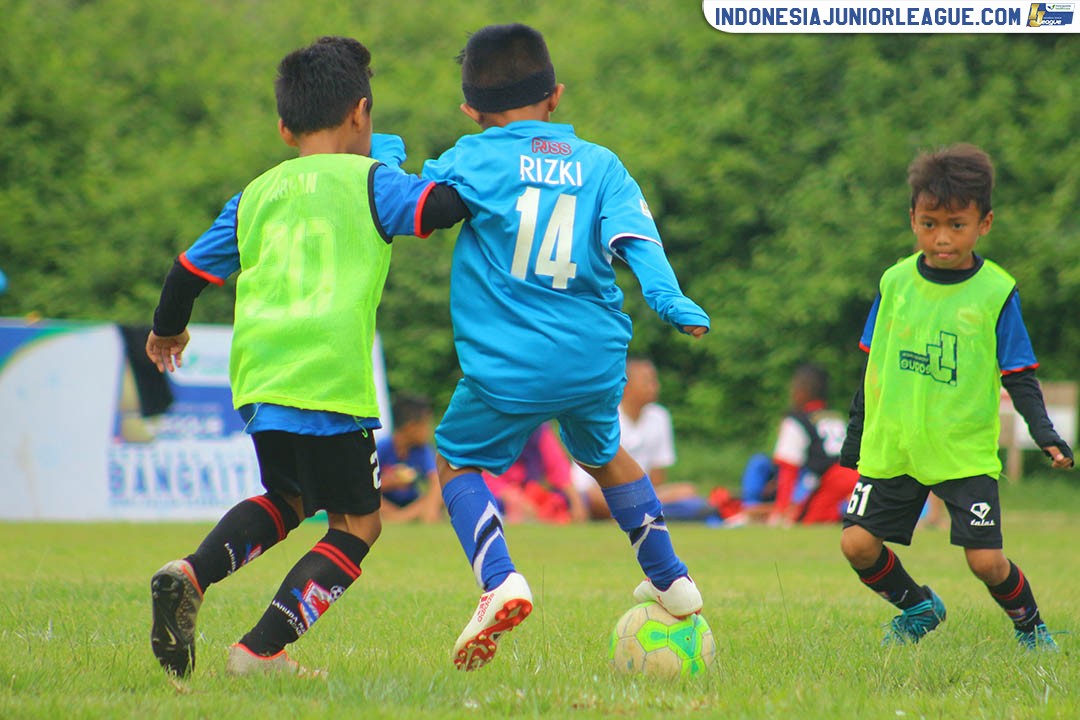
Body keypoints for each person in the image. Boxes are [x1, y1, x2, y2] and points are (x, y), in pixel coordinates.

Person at [144, 36, 469, 678]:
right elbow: (442, 207)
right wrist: (453, 167)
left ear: (284, 127)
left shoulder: (256, 193)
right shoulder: (372, 181)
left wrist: (167, 331)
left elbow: (186, 273)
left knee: (288, 498)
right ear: (361, 111)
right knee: (358, 526)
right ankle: (258, 652)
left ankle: (192, 573)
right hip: (329, 381)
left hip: (261, 379)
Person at [421, 24, 710, 671]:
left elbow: (413, 205)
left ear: (471, 110)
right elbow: (640, 244)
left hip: (511, 364)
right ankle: (673, 579)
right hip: (593, 358)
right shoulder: (602, 165)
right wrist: (672, 302)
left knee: (455, 461)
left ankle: (500, 579)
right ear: (555, 95)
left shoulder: (473, 157)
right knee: (604, 454)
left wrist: (379, 168)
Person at [838, 143, 1073, 651]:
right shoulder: (895, 283)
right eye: (929, 224)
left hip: (962, 451)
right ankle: (918, 607)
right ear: (912, 219)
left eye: (956, 225)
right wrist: (856, 437)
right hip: (895, 446)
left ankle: (1032, 628)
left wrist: (1045, 432)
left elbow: (1019, 374)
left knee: (985, 561)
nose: (942, 238)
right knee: (856, 543)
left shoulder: (996, 291)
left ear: (984, 223)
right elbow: (872, 367)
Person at [572, 357, 718, 522]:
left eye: (654, 381)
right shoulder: (605, 418)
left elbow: (657, 479)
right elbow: (583, 483)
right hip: (602, 493)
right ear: (626, 385)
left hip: (644, 495)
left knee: (687, 491)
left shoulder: (660, 417)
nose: (654, 387)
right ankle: (643, 513)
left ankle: (636, 513)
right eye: (647, 382)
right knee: (595, 496)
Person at [727, 363, 859, 527]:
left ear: (802, 390)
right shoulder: (834, 416)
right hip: (856, 475)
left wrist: (781, 511)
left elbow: (788, 469)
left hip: (832, 481)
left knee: (809, 518)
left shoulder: (796, 420)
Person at [484, 423, 588, 524]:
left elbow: (558, 468)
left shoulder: (538, 430)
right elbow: (486, 475)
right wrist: (517, 500)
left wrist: (576, 504)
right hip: (499, 496)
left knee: (572, 499)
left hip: (530, 493)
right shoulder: (492, 430)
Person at [377, 392, 443, 523]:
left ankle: (401, 517)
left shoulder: (422, 450)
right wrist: (391, 482)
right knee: (369, 499)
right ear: (410, 428)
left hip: (410, 503)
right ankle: (402, 517)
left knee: (440, 493)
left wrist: (431, 508)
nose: (429, 431)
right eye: (425, 425)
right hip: (384, 503)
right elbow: (366, 486)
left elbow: (436, 481)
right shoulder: (383, 447)